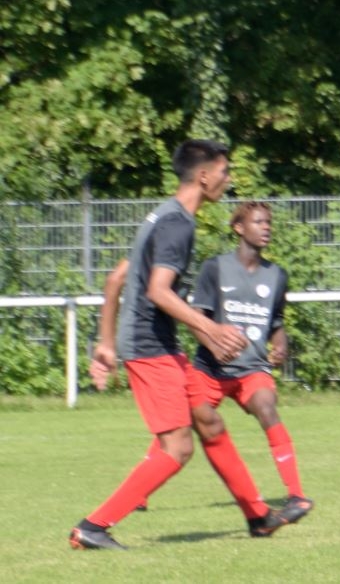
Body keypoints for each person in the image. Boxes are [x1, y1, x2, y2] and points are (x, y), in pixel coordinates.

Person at [71, 140, 288, 550]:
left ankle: (257, 516)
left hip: (158, 344)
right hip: (150, 348)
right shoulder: (178, 224)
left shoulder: (163, 215)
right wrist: (212, 329)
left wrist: (105, 344)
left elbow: (118, 278)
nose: (228, 180)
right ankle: (92, 527)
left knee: (209, 422)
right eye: (225, 172)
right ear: (204, 176)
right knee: (178, 447)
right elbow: (158, 291)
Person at [187, 201, 313, 524]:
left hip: (252, 370)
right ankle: (142, 493)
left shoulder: (277, 275)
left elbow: (277, 323)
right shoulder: (214, 268)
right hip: (209, 370)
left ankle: (297, 495)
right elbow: (196, 318)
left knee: (268, 408)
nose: (266, 227)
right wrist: (215, 346)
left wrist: (280, 346)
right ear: (239, 229)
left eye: (268, 222)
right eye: (258, 222)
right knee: (181, 425)